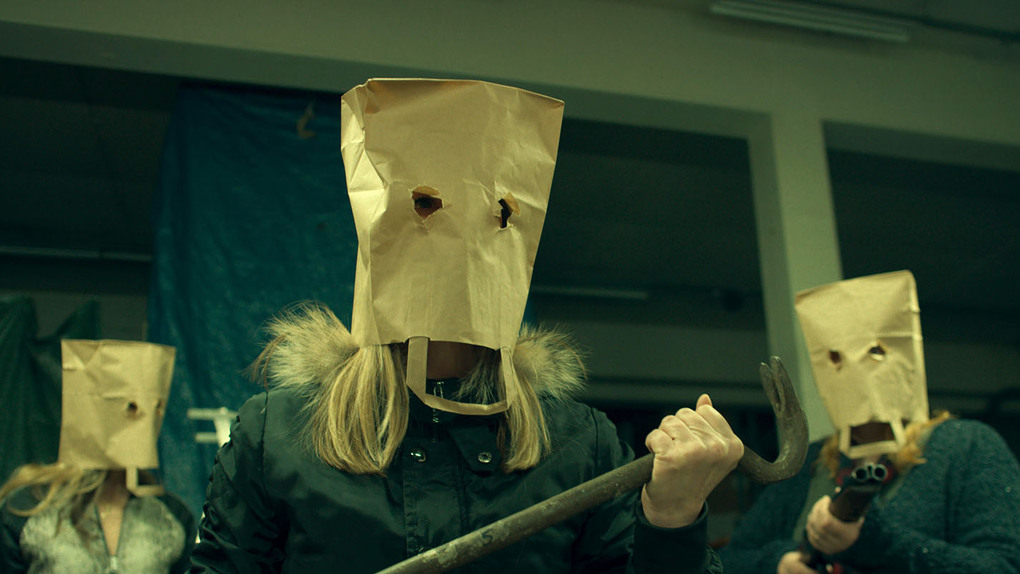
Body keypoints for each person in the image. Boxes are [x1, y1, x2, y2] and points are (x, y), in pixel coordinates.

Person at [189, 78, 744, 573]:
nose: (460, 239)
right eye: (424, 204)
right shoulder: (279, 433)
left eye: (501, 212)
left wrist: (672, 517)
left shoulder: (577, 443)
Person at [719, 271, 1020, 573]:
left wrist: (875, 542)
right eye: (835, 357)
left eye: (875, 352)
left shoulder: (967, 447)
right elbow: (730, 559)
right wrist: (780, 563)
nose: (855, 370)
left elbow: (1003, 567)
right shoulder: (811, 464)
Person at [0, 339, 195, 573]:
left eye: (156, 407)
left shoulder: (171, 517)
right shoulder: (29, 510)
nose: (143, 420)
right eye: (130, 407)